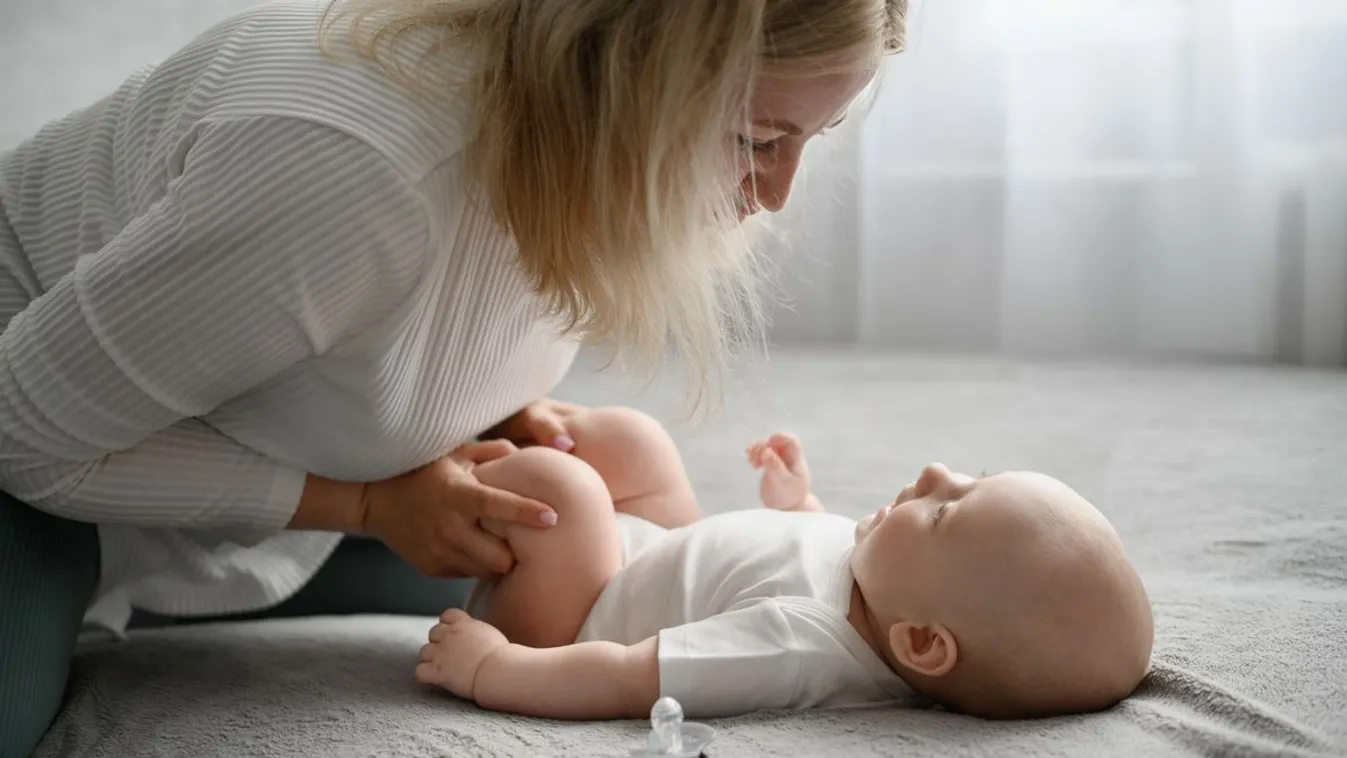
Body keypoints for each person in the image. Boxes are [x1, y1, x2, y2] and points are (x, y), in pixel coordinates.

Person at [0, 0, 909, 754]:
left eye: (810, 137)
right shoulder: (352, 174)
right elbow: (20, 429)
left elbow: (413, 314)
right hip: (44, 471)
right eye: (754, 138)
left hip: (229, 454)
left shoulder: (562, 147)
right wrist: (366, 508)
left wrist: (501, 406)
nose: (777, 192)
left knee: (598, 593)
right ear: (622, 72)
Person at [416, 407, 1155, 720]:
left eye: (945, 510)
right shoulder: (887, 587)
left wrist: (493, 669)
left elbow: (627, 677)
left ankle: (411, 476)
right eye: (971, 475)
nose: (935, 470)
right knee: (633, 441)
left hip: (581, 618)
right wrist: (799, 505)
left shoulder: (793, 647)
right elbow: (811, 557)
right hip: (665, 559)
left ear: (922, 645)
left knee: (563, 489)